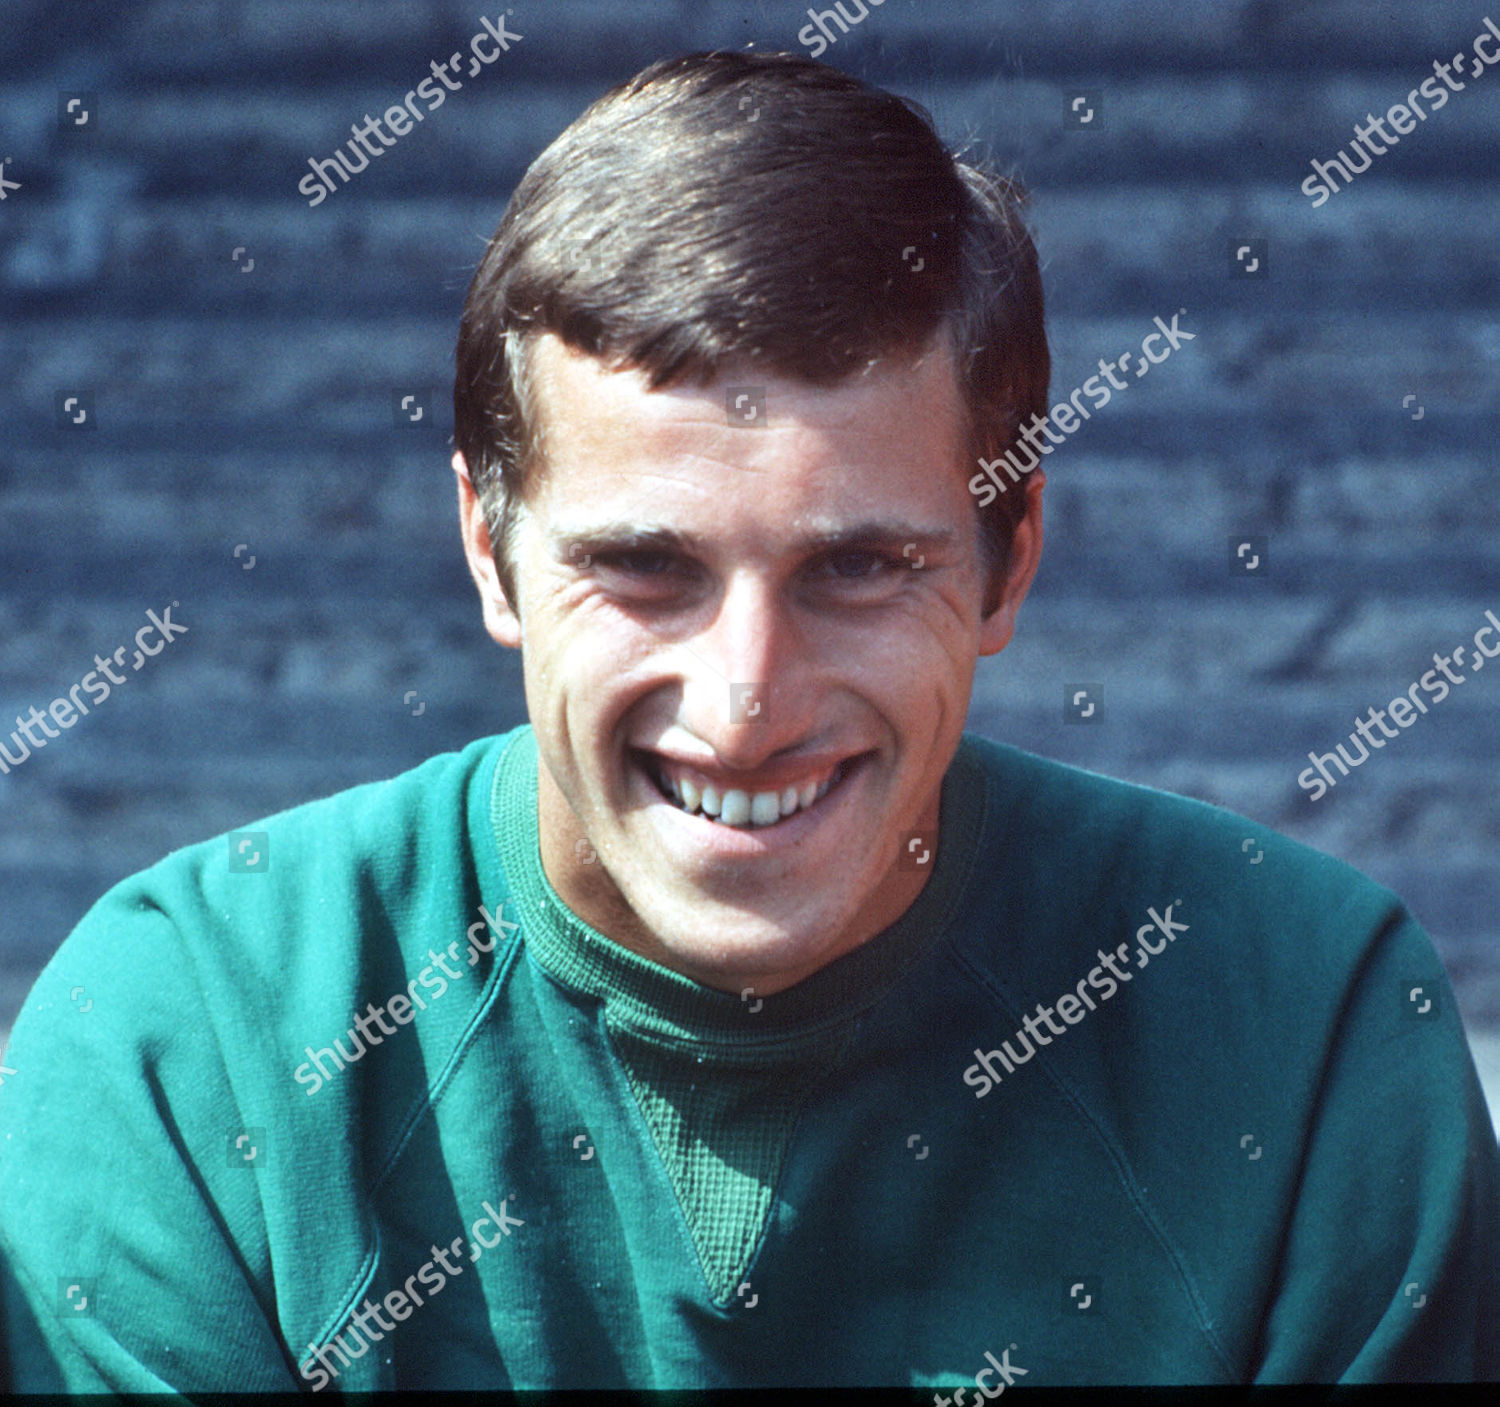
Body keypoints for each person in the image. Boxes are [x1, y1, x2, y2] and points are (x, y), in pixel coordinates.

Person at [1, 50, 1495, 1393]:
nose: (746, 700)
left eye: (859, 567)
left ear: (1009, 559)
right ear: (487, 550)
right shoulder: (185, 1044)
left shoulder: (1303, 1032)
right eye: (643, 568)